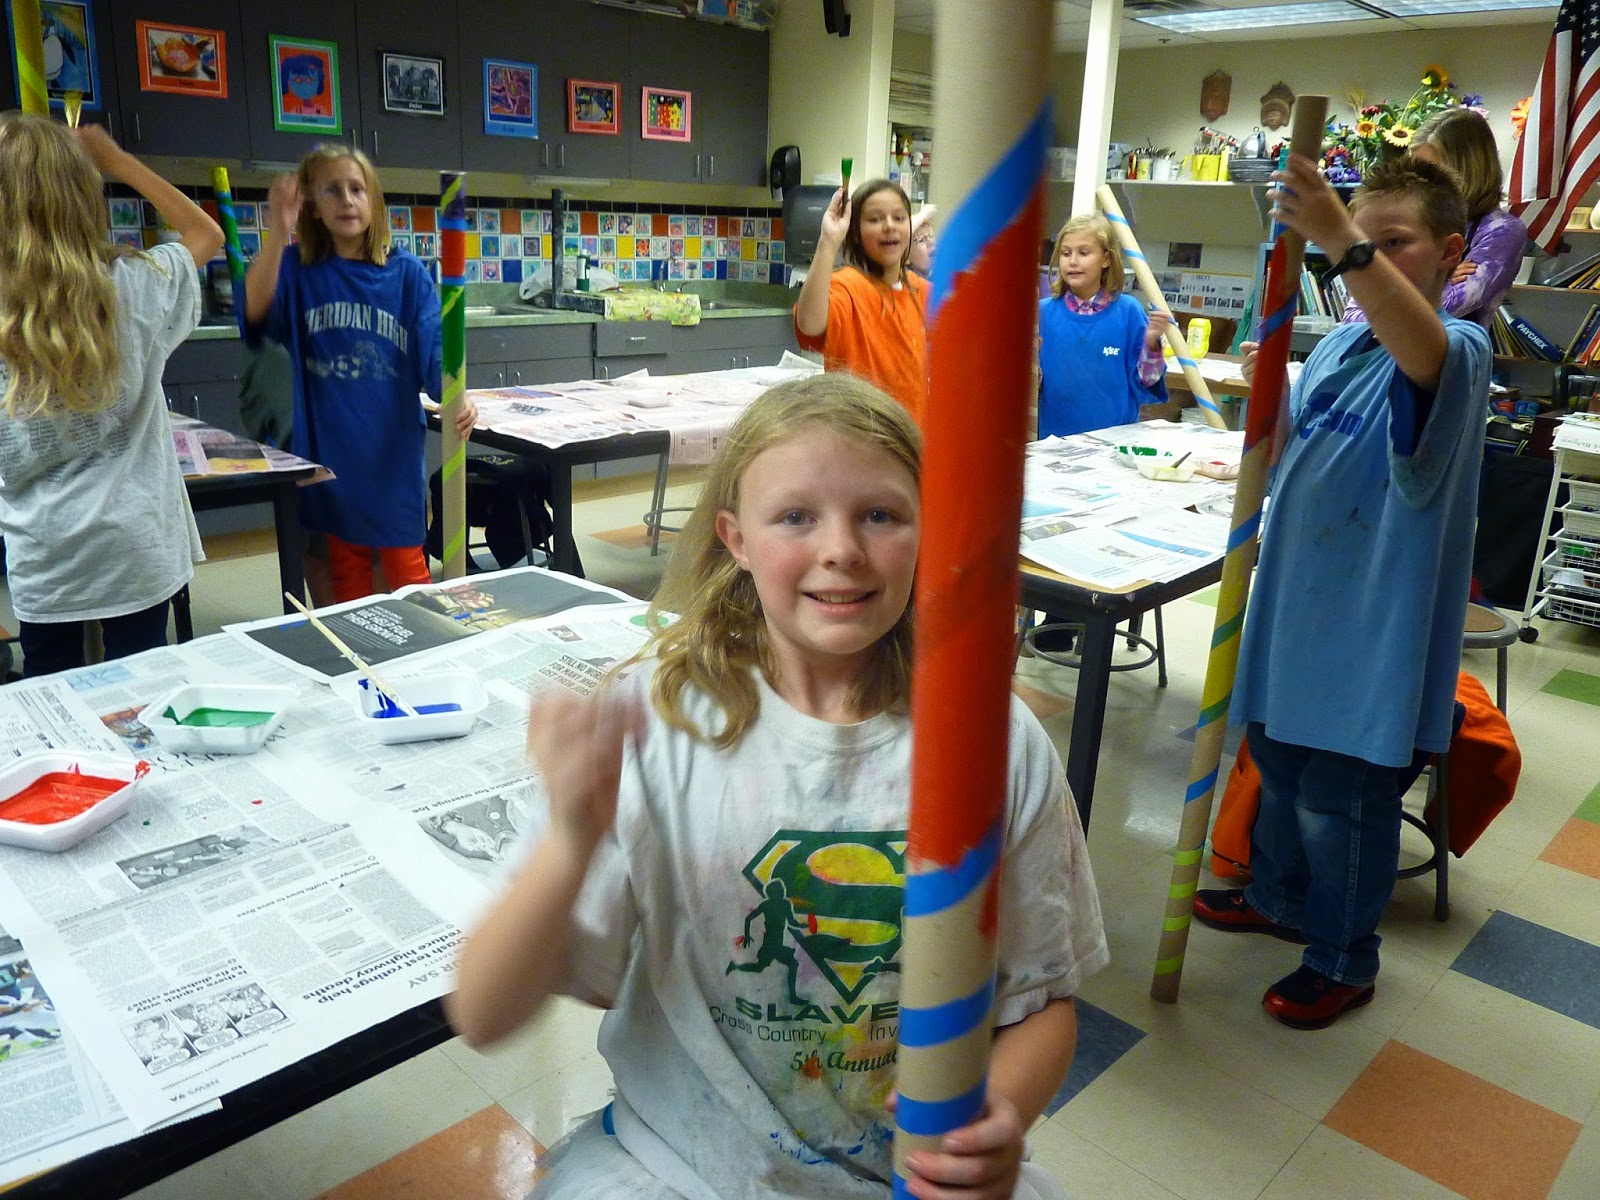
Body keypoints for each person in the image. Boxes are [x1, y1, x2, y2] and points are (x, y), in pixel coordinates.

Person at [448, 374, 1107, 1199]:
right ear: (736, 537)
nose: (842, 549)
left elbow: (1043, 1004)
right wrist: (571, 839)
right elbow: (485, 1013)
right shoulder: (656, 726)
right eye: (796, 516)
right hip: (680, 1165)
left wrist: (995, 1120)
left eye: (881, 514)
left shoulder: (995, 746)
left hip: (912, 1180)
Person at [1194, 155, 1490, 1029]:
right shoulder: (1337, 346)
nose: (1373, 258)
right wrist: (1268, 396)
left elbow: (1422, 356)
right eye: (1365, 241)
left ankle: (1342, 956)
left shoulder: (1459, 348)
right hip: (1298, 614)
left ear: (1450, 253)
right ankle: (1280, 901)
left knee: (1341, 802)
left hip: (1371, 634)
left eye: (1395, 243)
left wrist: (1336, 236)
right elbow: (1300, 454)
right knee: (1281, 771)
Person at [0, 116, 221, 677]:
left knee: (51, 692)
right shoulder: (136, 284)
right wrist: (116, 159)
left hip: (43, 554)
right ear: (85, 198)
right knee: (139, 692)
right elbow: (206, 235)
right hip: (134, 545)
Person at [243, 143, 475, 604]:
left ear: (374, 200)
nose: (347, 200)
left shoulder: (407, 274)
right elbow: (254, 318)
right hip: (331, 459)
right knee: (347, 580)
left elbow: (436, 358)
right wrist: (278, 232)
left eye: (357, 189)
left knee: (409, 575)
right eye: (332, 190)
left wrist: (457, 396)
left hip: (391, 460)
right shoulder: (298, 271)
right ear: (312, 205)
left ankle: (428, 645)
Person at [1342, 109, 1526, 329]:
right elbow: (1352, 317)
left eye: (1428, 174)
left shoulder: (1502, 230)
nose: (1415, 184)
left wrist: (1423, 284)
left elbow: (1451, 305)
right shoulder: (1406, 221)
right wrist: (1440, 280)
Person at [794, 179, 931, 424]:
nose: (889, 226)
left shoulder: (921, 290)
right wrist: (828, 241)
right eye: (875, 219)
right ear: (856, 233)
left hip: (909, 436)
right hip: (859, 434)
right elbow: (809, 325)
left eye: (899, 218)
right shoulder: (847, 286)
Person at [1036, 214, 1170, 437]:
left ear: (1106, 259)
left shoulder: (1129, 312)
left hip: (1113, 442)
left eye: (1084, 253)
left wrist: (1152, 343)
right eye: (1066, 253)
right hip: (1053, 441)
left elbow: (1147, 381)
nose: (1073, 261)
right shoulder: (1042, 313)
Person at [908, 202, 938, 279]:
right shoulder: (904, 280)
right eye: (921, 240)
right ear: (905, 258)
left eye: (931, 236)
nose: (931, 242)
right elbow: (901, 237)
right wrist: (922, 216)